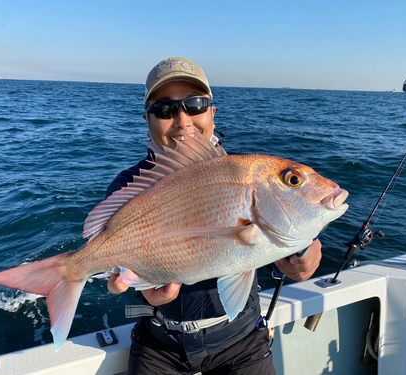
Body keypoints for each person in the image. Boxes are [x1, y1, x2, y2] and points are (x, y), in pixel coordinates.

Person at [106, 57, 322, 375]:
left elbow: (275, 230)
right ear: (147, 120)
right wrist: (128, 284)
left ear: (212, 113)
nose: (182, 121)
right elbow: (112, 268)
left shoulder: (246, 176)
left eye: (195, 104)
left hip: (242, 341)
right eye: (164, 109)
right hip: (159, 344)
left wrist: (302, 254)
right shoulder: (128, 187)